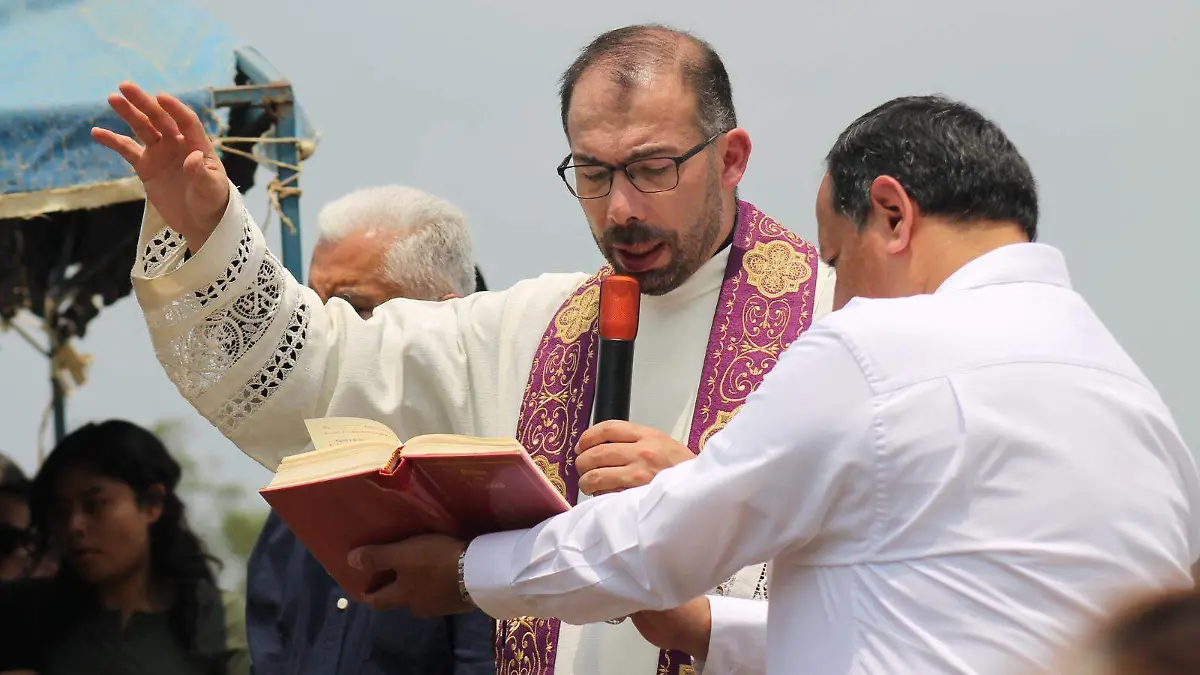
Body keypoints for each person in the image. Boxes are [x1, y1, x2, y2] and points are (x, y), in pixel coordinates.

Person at [344, 95, 1200, 675]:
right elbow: (935, 624)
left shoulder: (876, 348)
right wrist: (707, 627)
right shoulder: (1131, 394)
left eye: (837, 260)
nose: (837, 296)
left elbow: (653, 542)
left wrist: (467, 571)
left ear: (892, 214)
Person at [92, 23, 836, 675]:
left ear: (731, 158)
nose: (620, 209)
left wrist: (707, 499)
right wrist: (212, 232)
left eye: (651, 170)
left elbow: (885, 599)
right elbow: (326, 369)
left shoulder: (837, 325)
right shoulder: (533, 326)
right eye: (592, 172)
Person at [244, 185, 496, 675]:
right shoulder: (301, 502)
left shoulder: (499, 497)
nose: (319, 336)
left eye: (351, 308)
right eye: (312, 312)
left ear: (444, 317)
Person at [0, 420, 250, 674]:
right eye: (60, 512)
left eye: (94, 506)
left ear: (152, 503)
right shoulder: (25, 617)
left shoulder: (221, 622)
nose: (74, 525)